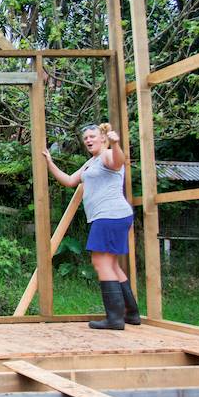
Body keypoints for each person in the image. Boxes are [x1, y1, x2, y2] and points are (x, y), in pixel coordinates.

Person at [42, 123, 140, 330]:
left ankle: (114, 319)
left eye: (92, 136)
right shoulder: (91, 162)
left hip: (109, 215)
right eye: (85, 137)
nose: (88, 140)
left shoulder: (108, 155)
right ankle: (131, 314)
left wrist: (116, 144)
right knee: (111, 264)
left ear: (103, 138)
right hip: (112, 216)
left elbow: (118, 162)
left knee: (100, 262)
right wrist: (49, 162)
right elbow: (69, 181)